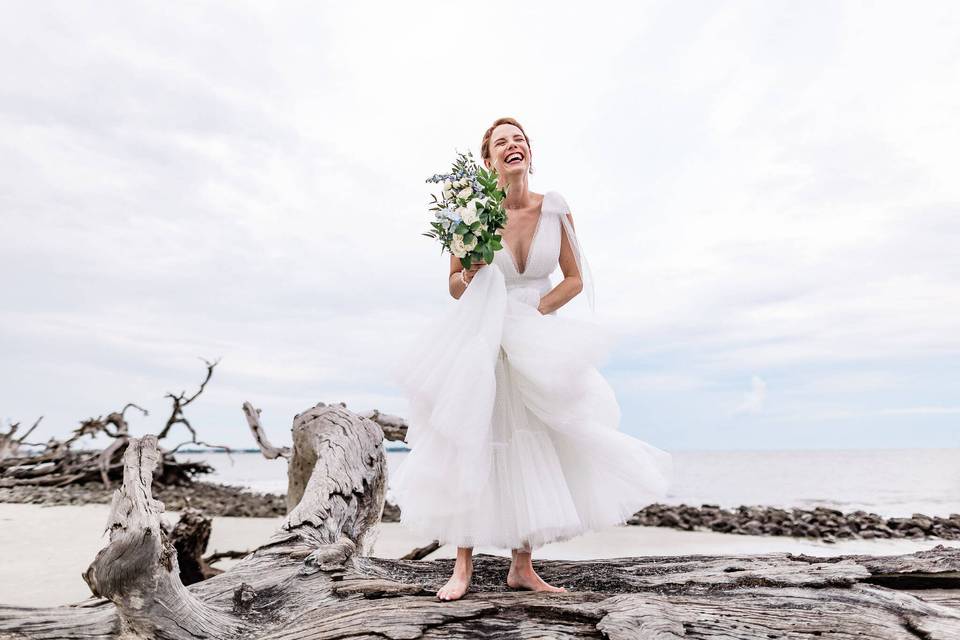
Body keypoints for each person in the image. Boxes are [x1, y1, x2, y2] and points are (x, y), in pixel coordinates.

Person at [390, 117, 672, 602]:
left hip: (537, 336)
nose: (512, 145)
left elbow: (573, 278)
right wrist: (474, 273)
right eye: (502, 142)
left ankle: (522, 566)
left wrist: (534, 312)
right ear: (488, 160)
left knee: (535, 437)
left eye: (519, 139)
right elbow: (455, 287)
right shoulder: (468, 211)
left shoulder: (556, 209)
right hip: (482, 337)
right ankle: (462, 566)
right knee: (472, 435)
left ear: (530, 153)